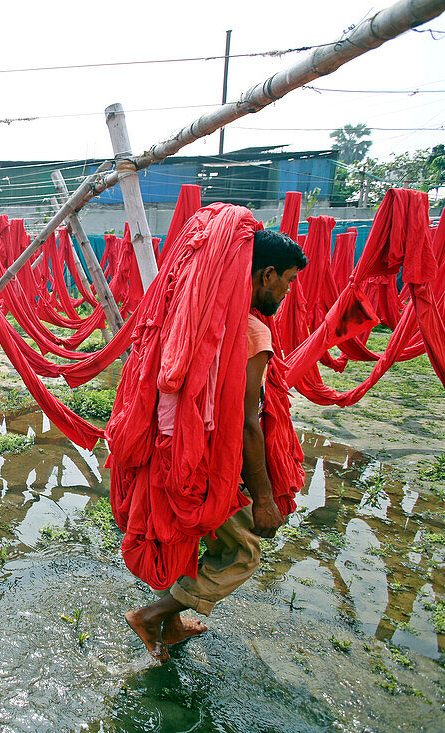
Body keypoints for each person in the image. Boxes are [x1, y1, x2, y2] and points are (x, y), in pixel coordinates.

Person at [125, 228, 307, 661]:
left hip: (176, 452)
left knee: (192, 537)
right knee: (243, 552)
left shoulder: (202, 317)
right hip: (210, 466)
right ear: (266, 276)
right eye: (288, 280)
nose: (287, 291)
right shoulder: (252, 333)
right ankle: (152, 615)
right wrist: (263, 498)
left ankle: (170, 623)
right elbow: (246, 425)